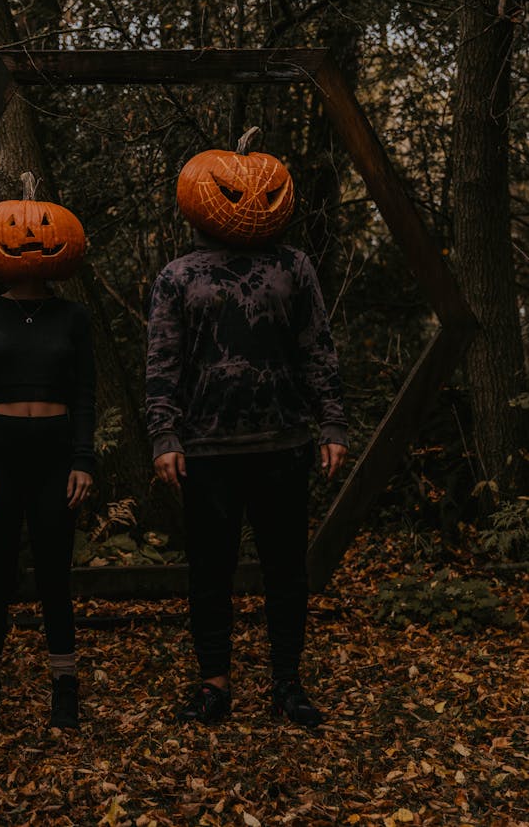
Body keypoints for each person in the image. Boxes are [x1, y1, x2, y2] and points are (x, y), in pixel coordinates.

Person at [146, 149, 348, 729]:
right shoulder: (177, 276)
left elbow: (317, 347)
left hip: (284, 443)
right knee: (210, 571)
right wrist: (164, 435)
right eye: (232, 193)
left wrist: (331, 421)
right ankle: (215, 685)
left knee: (287, 570)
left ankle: (287, 681)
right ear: (201, 202)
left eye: (259, 192)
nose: (249, 201)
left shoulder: (294, 266)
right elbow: (162, 362)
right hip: (205, 449)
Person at [0, 211, 95, 738]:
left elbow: (85, 394)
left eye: (41, 231)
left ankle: (66, 694)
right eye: (18, 230)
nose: (31, 237)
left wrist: (84, 460)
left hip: (57, 460)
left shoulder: (73, 317)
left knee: (56, 578)